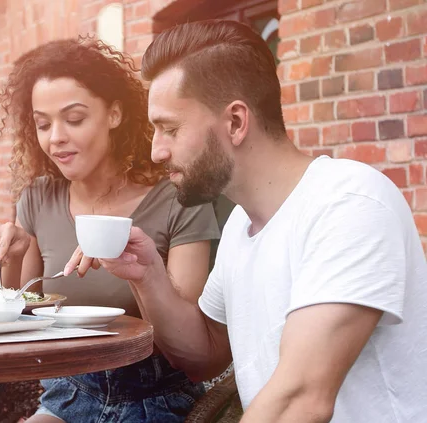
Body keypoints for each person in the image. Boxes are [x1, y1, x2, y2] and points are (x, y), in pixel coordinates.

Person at [66, 20, 427, 423]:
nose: (156, 152)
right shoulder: (241, 225)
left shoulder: (348, 203)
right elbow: (202, 355)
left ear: (236, 122)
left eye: (169, 128)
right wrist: (146, 275)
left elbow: (301, 398)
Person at [0, 37, 221, 423]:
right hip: (69, 392)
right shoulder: (38, 198)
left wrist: (143, 273)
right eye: (42, 124)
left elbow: (188, 344)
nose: (55, 136)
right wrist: (10, 261)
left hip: (158, 397)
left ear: (114, 114)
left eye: (74, 119)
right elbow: (18, 315)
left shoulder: (178, 198)